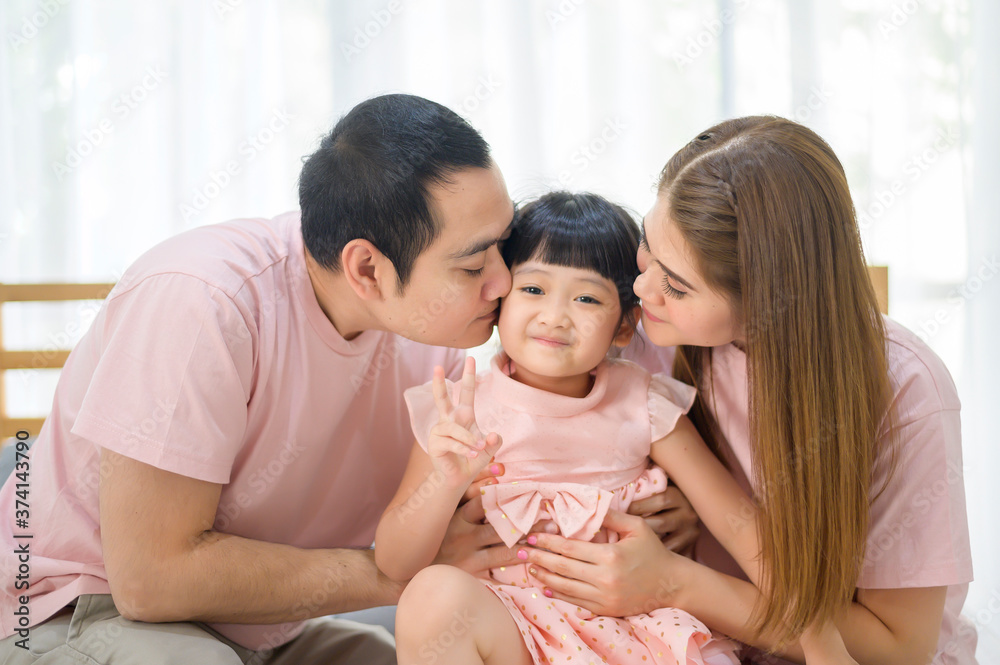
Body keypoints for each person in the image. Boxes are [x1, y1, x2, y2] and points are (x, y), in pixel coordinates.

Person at [0, 93, 521, 664]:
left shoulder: (442, 346)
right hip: (81, 612)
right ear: (367, 268)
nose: (503, 281)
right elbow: (150, 579)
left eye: (505, 246)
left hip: (264, 630)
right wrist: (389, 576)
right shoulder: (202, 301)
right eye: (473, 265)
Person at [514, 117, 976, 664]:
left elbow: (898, 650)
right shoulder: (649, 332)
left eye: (677, 286)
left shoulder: (904, 390)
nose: (640, 290)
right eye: (647, 247)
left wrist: (677, 584)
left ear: (768, 297)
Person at [376, 192, 854, 665]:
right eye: (533, 289)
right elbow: (396, 563)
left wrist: (820, 642)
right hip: (514, 626)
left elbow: (742, 528)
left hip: (634, 630)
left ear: (624, 327)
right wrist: (444, 481)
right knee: (432, 597)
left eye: (586, 297)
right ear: (500, 298)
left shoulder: (643, 403)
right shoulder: (460, 408)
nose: (554, 316)